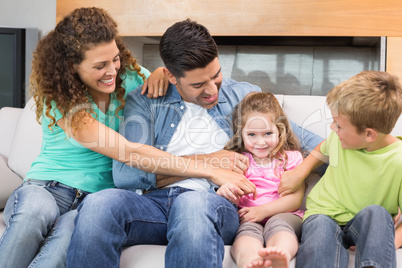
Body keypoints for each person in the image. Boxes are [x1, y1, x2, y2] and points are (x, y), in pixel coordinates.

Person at [0, 8, 251, 268]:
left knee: (71, 233)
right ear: (72, 66)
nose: (112, 71)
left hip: (90, 200)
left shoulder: (130, 78)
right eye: (100, 65)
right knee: (35, 212)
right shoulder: (62, 99)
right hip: (49, 187)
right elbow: (129, 153)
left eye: (115, 59)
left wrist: (157, 73)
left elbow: (171, 78)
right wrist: (209, 167)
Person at [66, 19, 323, 268]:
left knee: (192, 204)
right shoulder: (146, 100)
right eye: (198, 84)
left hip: (213, 204)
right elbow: (126, 175)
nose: (212, 90)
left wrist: (300, 172)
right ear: (171, 76)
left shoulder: (243, 96)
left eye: (217, 75)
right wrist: (209, 162)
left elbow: (315, 145)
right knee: (98, 204)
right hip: (153, 206)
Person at [278, 71, 402, 267]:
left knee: (378, 214)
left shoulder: (398, 160)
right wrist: (300, 172)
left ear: (369, 134)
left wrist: (392, 241)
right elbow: (323, 149)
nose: (332, 128)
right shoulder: (340, 138)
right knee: (318, 227)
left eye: (338, 125)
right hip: (323, 215)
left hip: (363, 224)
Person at [216, 92, 305, 268]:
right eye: (252, 135)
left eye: (267, 133)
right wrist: (228, 194)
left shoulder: (292, 158)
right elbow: (234, 197)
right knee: (245, 234)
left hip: (285, 214)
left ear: (280, 130)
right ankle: (249, 260)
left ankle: (281, 256)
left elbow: (295, 199)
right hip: (249, 218)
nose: (260, 142)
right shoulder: (238, 160)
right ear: (241, 133)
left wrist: (263, 211)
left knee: (280, 227)